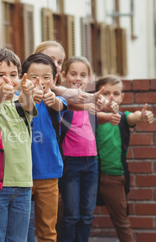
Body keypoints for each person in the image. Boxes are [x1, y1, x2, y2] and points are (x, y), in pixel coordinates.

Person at [0, 48, 37, 241]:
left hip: (23, 184)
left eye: (13, 75)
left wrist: (27, 91)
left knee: (18, 238)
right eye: (1, 75)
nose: (8, 80)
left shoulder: (22, 104)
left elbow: (28, 104)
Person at [95, 75, 154, 242]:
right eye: (106, 93)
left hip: (114, 177)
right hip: (89, 175)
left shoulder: (123, 117)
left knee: (122, 223)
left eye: (116, 93)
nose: (111, 97)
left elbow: (134, 116)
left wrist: (142, 116)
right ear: (98, 95)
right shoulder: (91, 116)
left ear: (122, 97)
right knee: (75, 217)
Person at [58, 56, 105, 242]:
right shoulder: (63, 101)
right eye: (73, 74)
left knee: (87, 215)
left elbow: (101, 113)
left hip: (91, 163)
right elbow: (71, 104)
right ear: (64, 76)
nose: (78, 78)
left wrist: (108, 109)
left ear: (89, 78)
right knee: (71, 215)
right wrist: (88, 104)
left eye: (83, 75)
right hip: (71, 163)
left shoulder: (91, 102)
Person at [22, 53, 67, 242]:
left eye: (46, 77)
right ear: (23, 78)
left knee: (47, 230)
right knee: (21, 228)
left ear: (54, 79)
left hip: (48, 173)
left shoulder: (54, 100)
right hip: (21, 175)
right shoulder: (17, 99)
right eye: (33, 77)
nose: (39, 82)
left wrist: (51, 99)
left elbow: (60, 104)